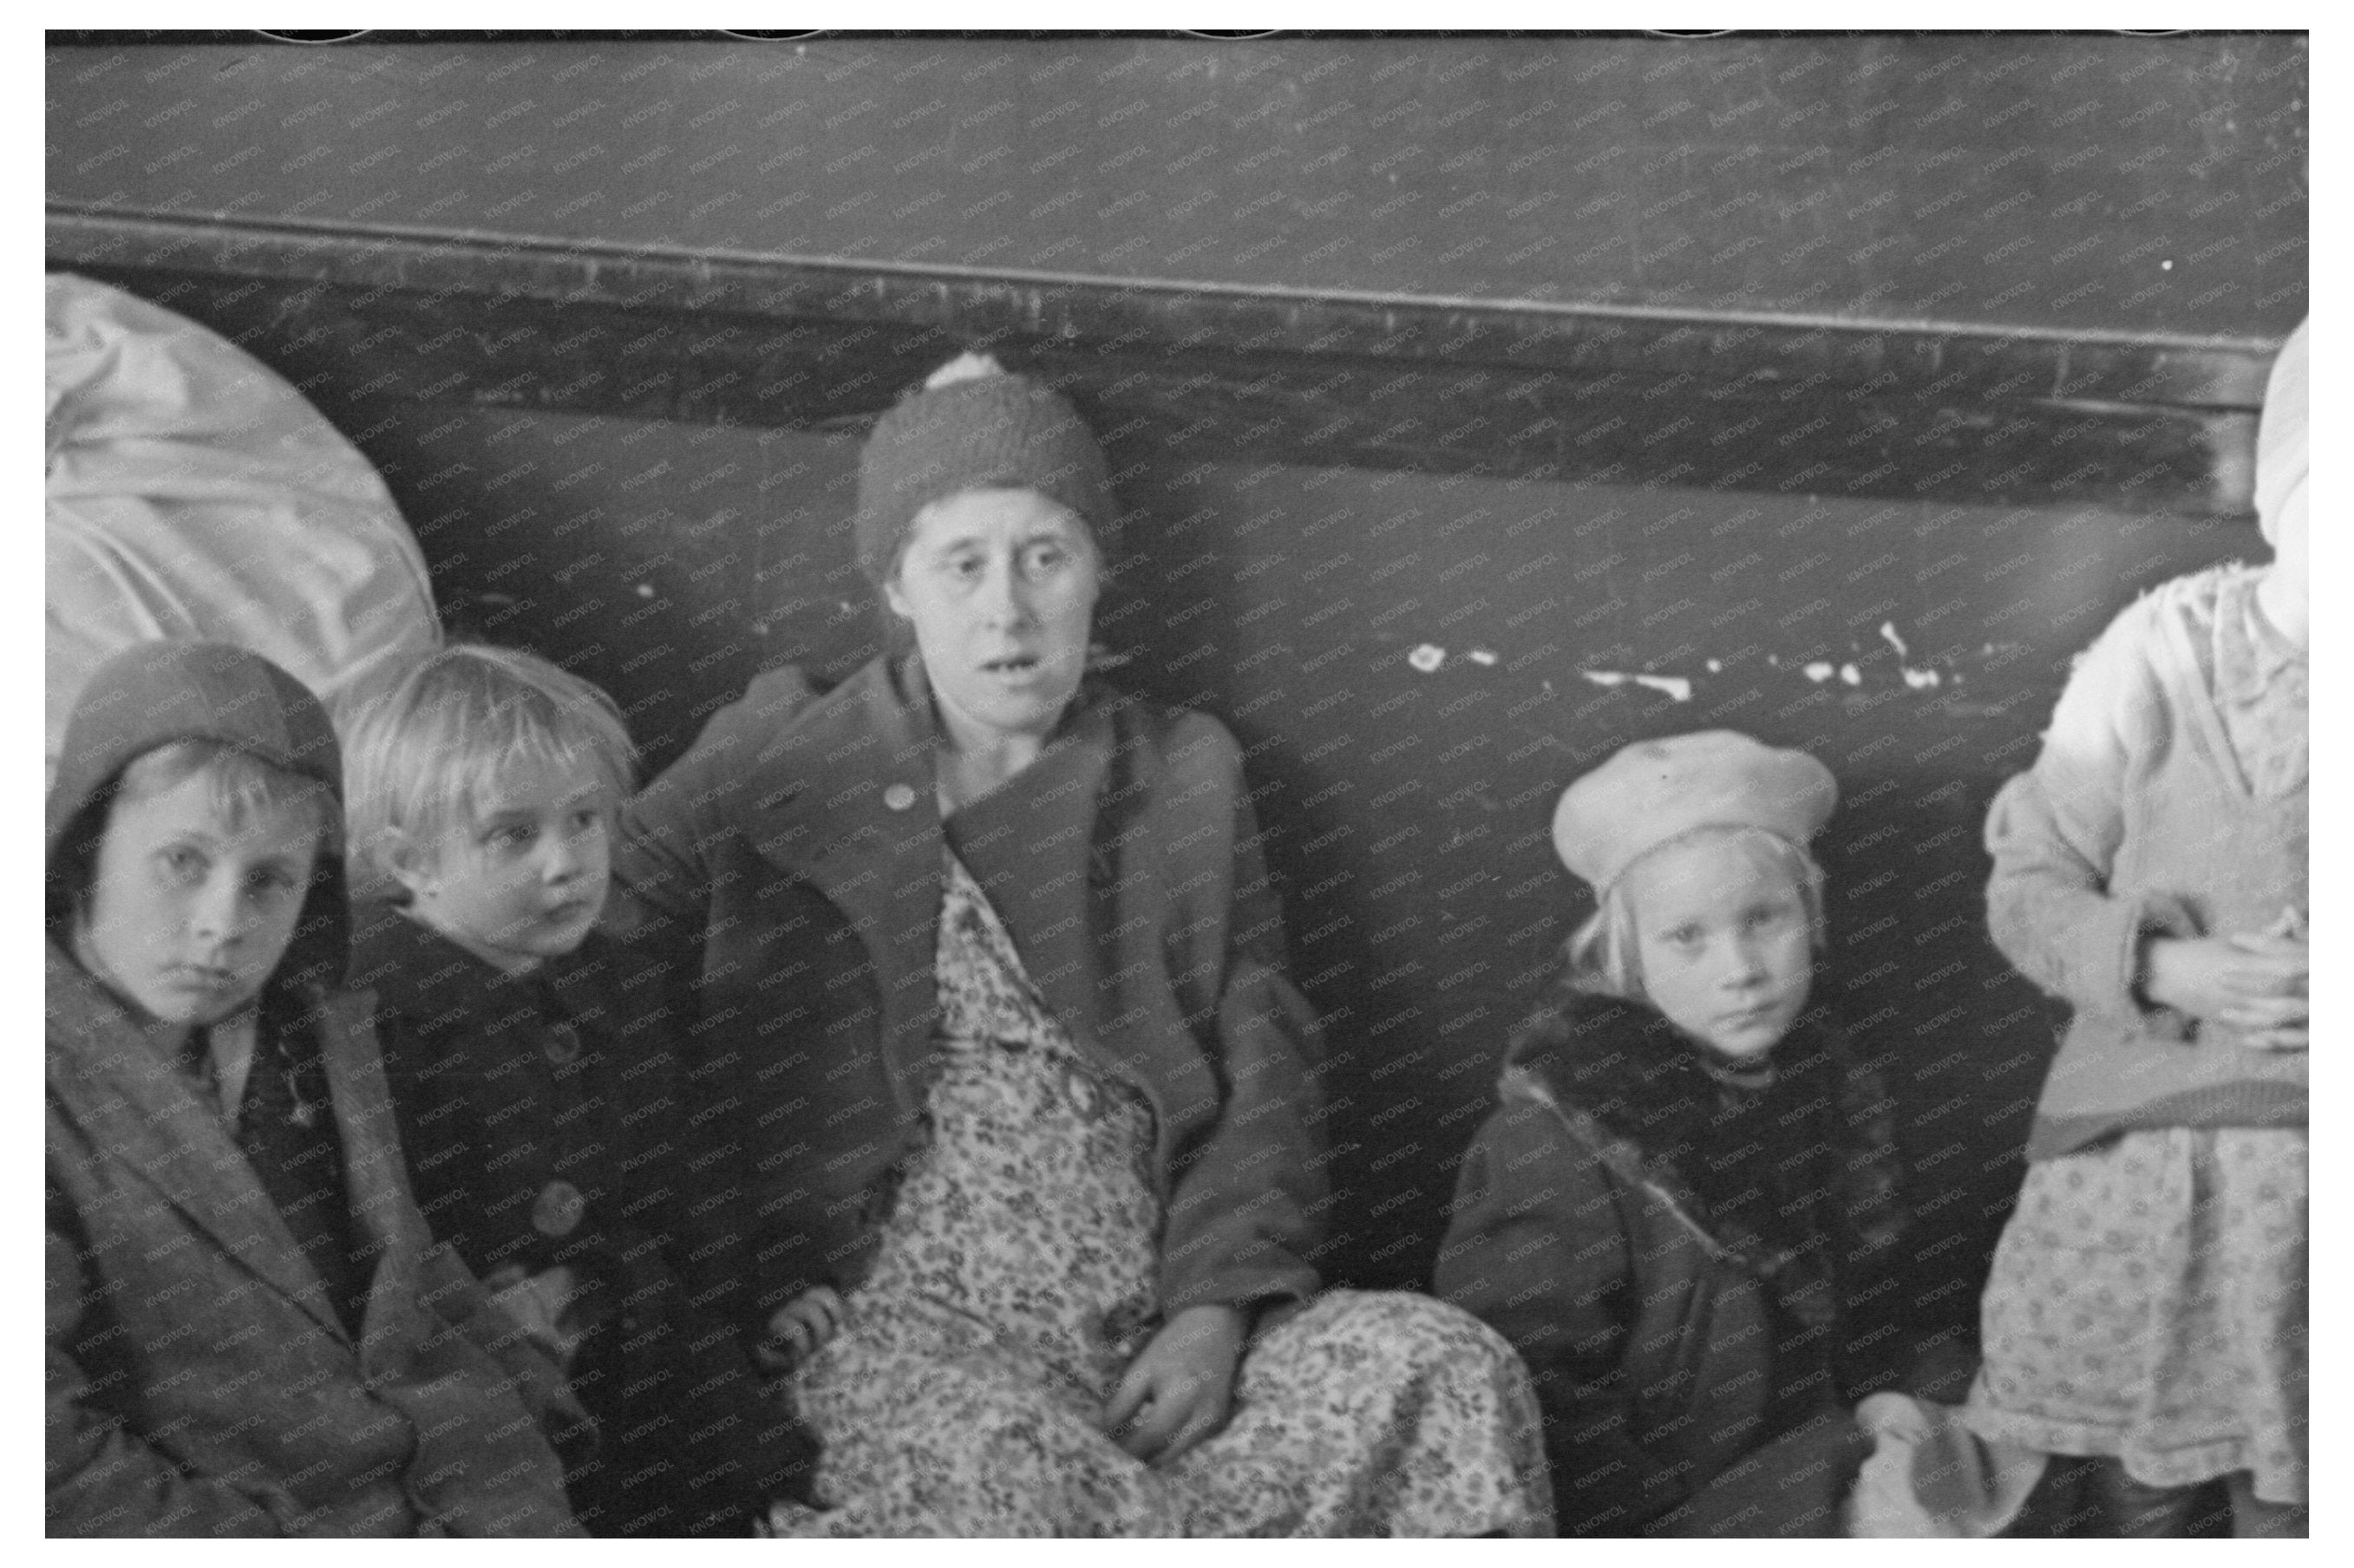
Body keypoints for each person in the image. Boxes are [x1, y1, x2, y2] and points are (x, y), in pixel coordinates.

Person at [609, 351, 1552, 1536]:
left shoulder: (1182, 774)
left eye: (1044, 557)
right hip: (890, 1337)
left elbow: (1265, 1068)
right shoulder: (782, 751)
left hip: (1143, 1336)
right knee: (1022, 1481)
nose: (1006, 609)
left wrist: (1212, 1310)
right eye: (962, 564)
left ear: (1100, 574)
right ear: (896, 585)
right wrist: (724, 1272)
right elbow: (581, 940)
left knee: (1441, 1368)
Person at [46, 640, 579, 1536]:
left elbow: (405, 1270)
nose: (224, 923)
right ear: (87, 845)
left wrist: (536, 1433)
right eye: (183, 860)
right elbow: (47, 1465)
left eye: (270, 880)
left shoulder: (308, 1026)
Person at [338, 643, 822, 1536]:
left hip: (630, 1334)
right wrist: (478, 1315)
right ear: (412, 861)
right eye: (512, 834)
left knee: (744, 1483)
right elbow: (369, 1233)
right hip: (470, 1366)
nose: (566, 861)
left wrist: (764, 1281)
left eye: (586, 819)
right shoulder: (372, 1019)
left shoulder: (618, 978)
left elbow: (689, 1156)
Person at [1963, 320, 2308, 1537]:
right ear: (2284, 493)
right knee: (2136, 1507)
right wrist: (2166, 965)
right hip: (2136, 1188)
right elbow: (2027, 889)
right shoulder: (2159, 653)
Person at [1435, 731, 1913, 1536]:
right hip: (1669, 1511)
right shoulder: (1558, 1134)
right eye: (1687, 937)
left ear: (1811, 917)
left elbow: (1877, 1311)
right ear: (1627, 956)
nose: (1741, 969)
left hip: (1820, 1458)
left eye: (1764, 918)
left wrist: (1889, 1407)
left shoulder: (1829, 1088)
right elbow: (1522, 1397)